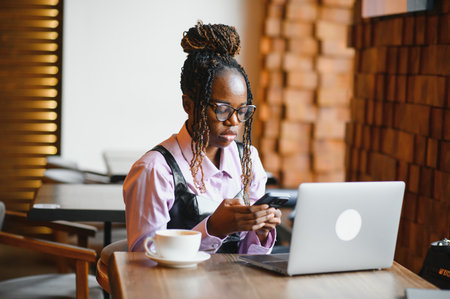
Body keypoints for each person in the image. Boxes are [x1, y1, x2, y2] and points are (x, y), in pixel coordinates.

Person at [123, 21, 282, 254]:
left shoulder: (248, 158)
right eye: (222, 109)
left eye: (242, 111)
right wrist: (213, 229)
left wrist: (260, 231)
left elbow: (249, 258)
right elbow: (143, 260)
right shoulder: (155, 170)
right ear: (188, 104)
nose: (234, 121)